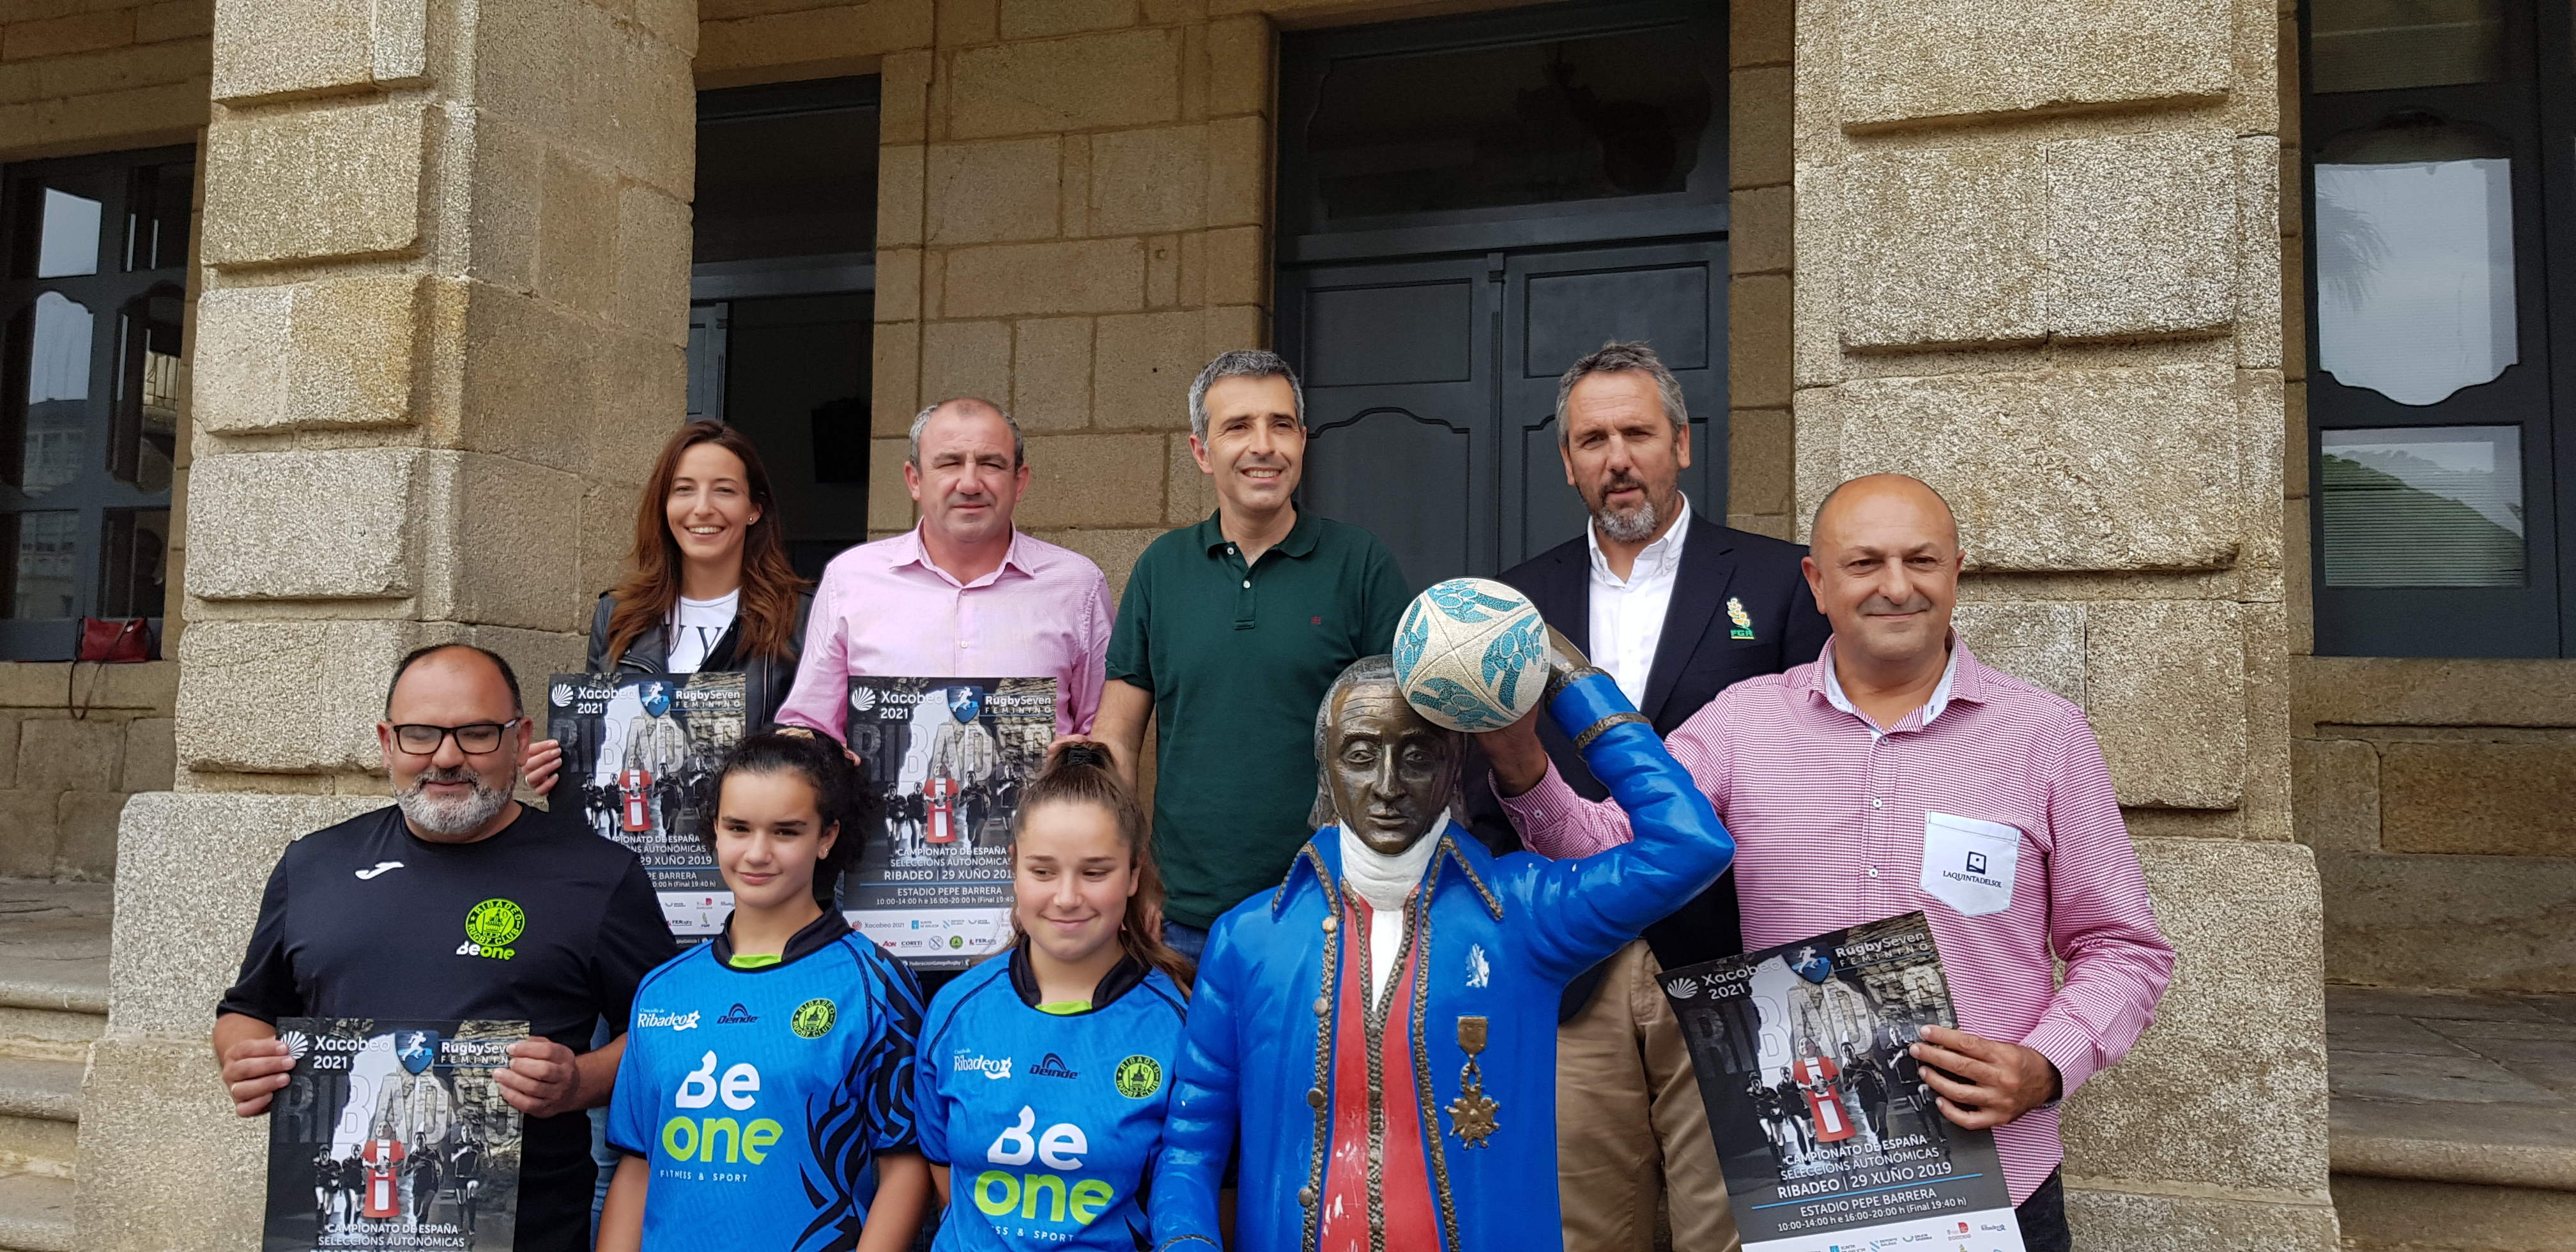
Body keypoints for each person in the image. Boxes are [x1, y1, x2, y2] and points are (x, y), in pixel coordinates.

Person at [1487, 473, 2179, 1252]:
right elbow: (1605, 853)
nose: (1896, 586)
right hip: (1811, 1198)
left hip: (1995, 1183)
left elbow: (2123, 947)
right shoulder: (1743, 724)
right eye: (1863, 564)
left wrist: (2046, 1065)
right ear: (1816, 583)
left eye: (1921, 561)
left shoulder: (2044, 736)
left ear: (1957, 573)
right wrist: (1520, 760)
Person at [1147, 645, 1735, 1252]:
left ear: (1455, 767)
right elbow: (1191, 1141)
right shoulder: (1249, 940)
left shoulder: (1520, 914)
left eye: (1418, 758)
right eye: (1359, 755)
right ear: (1325, 766)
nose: (1387, 786)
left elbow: (1689, 845)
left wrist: (1567, 678)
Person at [1465, 340, 1827, 1252]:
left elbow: (1814, 766)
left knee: (1731, 1231)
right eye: (1593, 440)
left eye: (1636, 433)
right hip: (1571, 971)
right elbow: (1480, 787)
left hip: (1731, 967)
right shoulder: (1513, 601)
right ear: (1567, 461)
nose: (1617, 459)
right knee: (1581, 1230)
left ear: (1683, 443)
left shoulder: (1779, 582)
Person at [214, 643, 678, 1252]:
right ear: (387, 742)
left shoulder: (600, 876)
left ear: (520, 738)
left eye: (477, 733)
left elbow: (671, 1031)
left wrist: (582, 1080)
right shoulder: (315, 865)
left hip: (528, 1229)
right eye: (420, 735)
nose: (447, 757)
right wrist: (247, 1058)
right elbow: (246, 1009)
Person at [1088, 351, 1409, 959]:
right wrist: (1128, 875)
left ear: (1303, 441)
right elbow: (1119, 740)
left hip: (1331, 915)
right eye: (1238, 427)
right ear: (1201, 451)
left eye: (1281, 425)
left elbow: (1409, 742)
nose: (1264, 445)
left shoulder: (1360, 564)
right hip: (1183, 921)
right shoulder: (1162, 569)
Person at [597, 733, 931, 1252]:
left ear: (827, 837)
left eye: (786, 831)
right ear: (715, 830)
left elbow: (906, 1168)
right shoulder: (662, 990)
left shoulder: (877, 984)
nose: (757, 852)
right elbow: (638, 1166)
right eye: (738, 828)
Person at [912, 744, 1191, 1250]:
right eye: (1043, 872)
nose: (1066, 897)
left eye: (1094, 872)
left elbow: (1197, 1197)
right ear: (1014, 866)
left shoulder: (1176, 1023)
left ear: (1133, 874)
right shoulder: (956, 1011)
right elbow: (944, 1177)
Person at [775, 398, 1112, 745]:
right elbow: (811, 725)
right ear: (915, 480)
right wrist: (817, 751)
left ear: (1020, 482)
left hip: (1035, 800)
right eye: (949, 463)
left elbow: (1106, 729)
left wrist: (1085, 756)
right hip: (875, 800)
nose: (969, 484)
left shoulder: (1077, 586)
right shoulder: (849, 579)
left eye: (991, 464)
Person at [524, 419, 815, 793]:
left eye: (724, 490)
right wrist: (559, 767)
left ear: (754, 509)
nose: (702, 508)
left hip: (751, 842)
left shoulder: (802, 616)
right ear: (664, 506)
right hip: (637, 838)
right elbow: (601, 738)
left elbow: (819, 751)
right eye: (684, 490)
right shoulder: (617, 614)